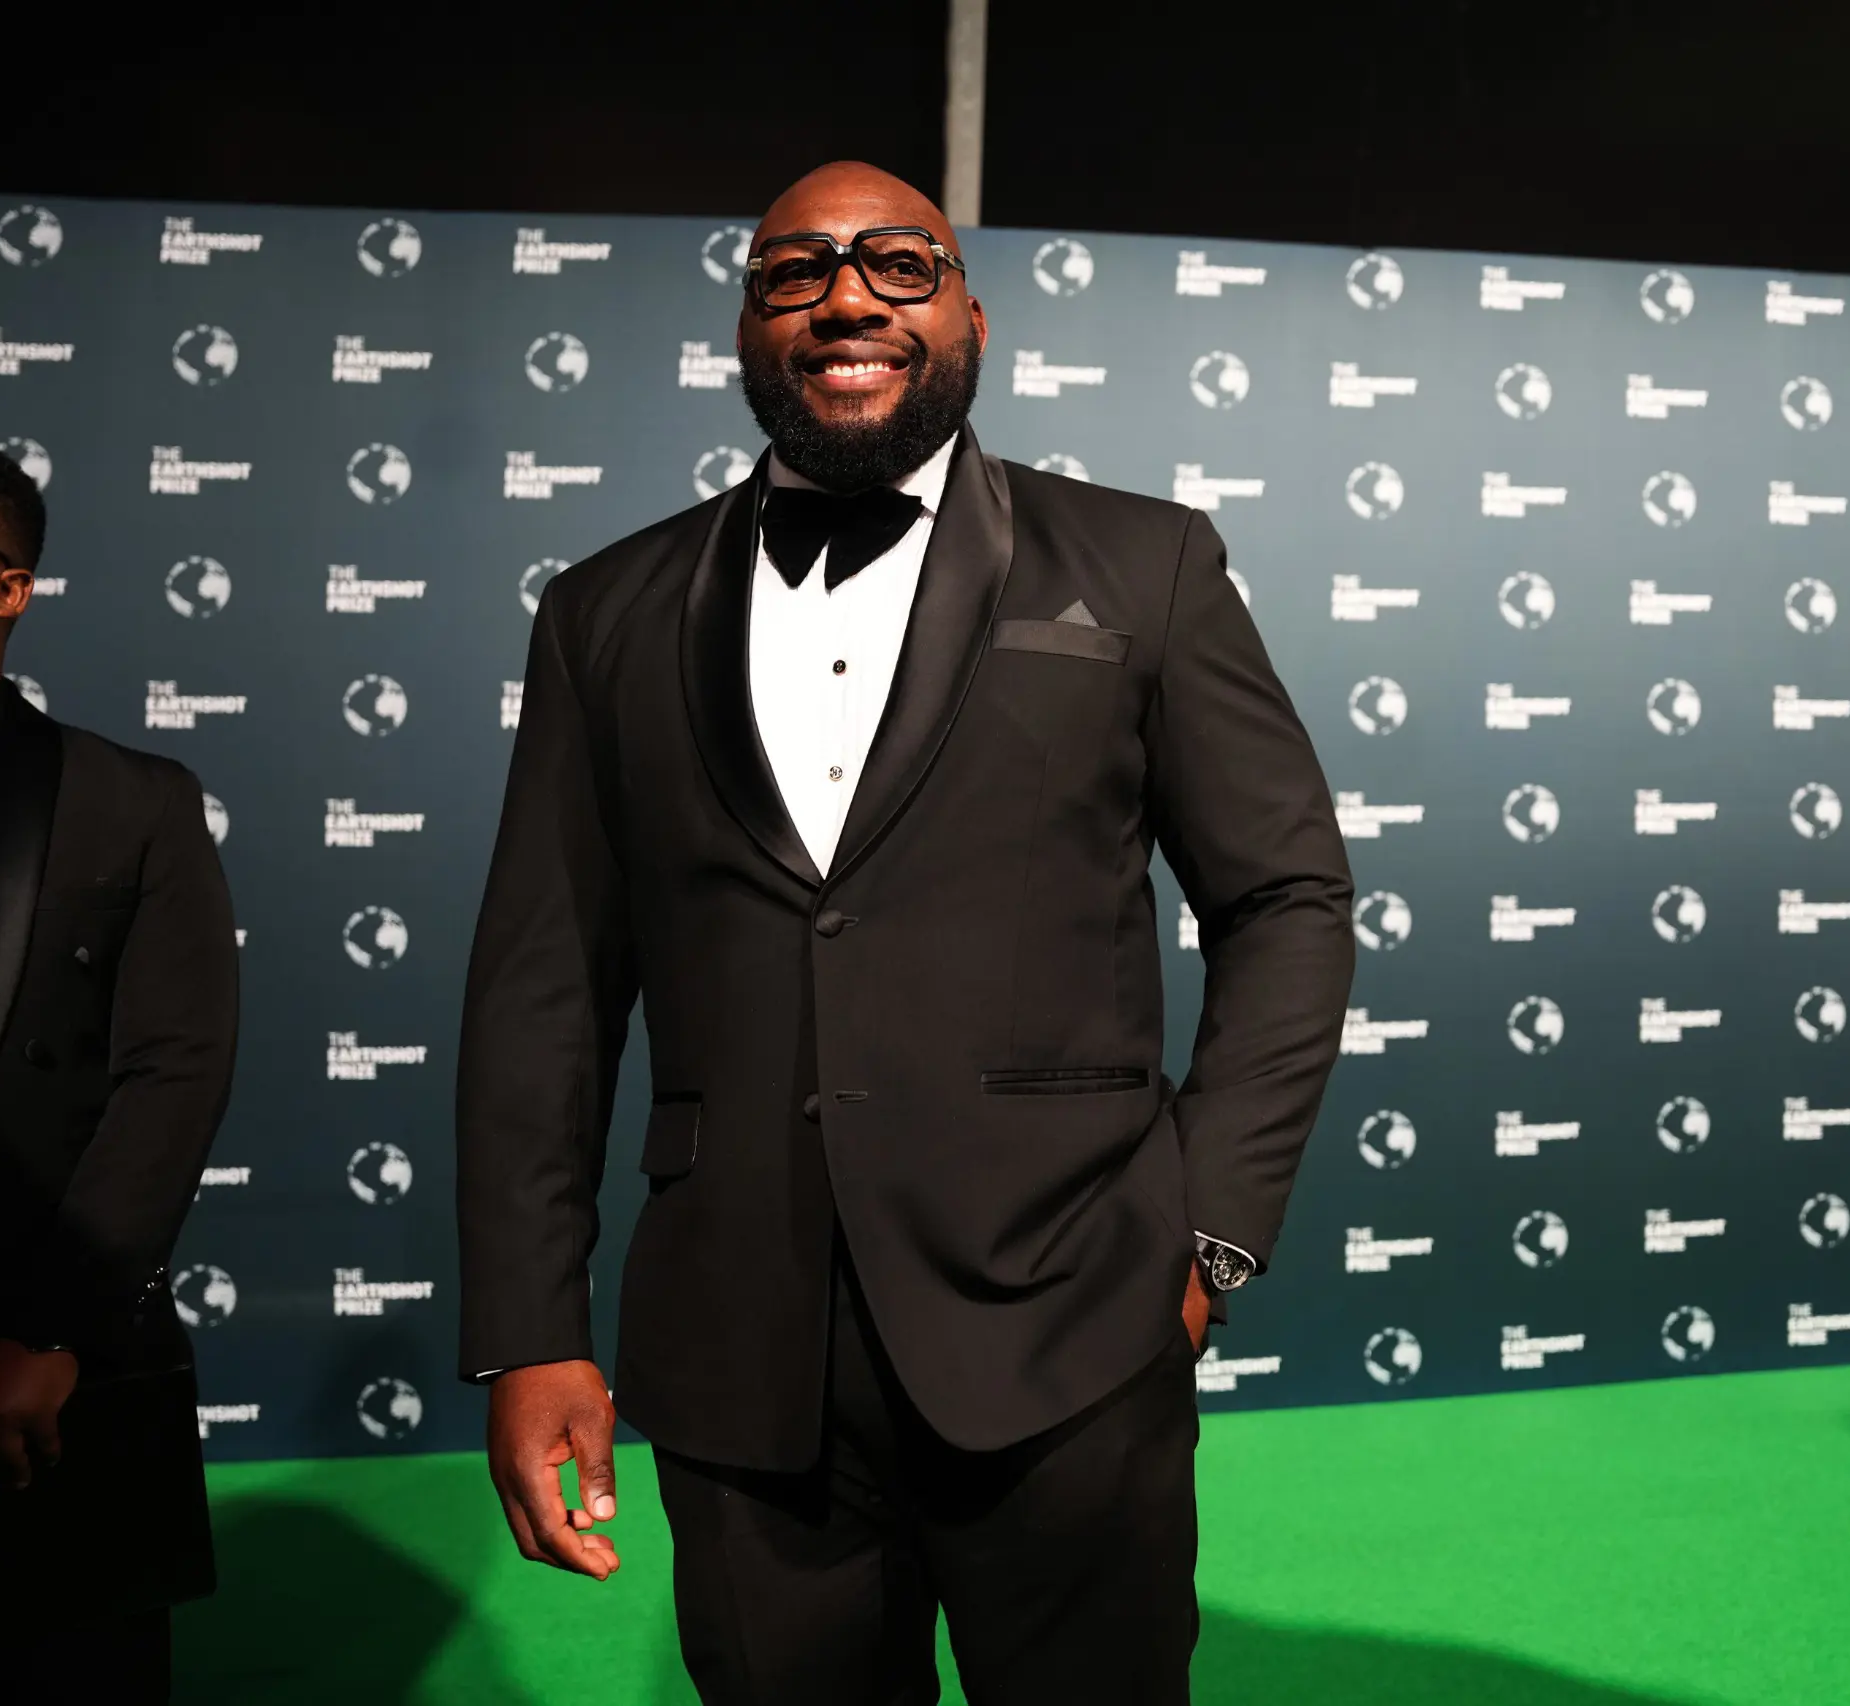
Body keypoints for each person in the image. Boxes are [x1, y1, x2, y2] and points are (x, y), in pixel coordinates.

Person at [458, 161, 1355, 1702]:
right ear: (748, 328)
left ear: (968, 313)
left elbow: (1287, 900)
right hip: (741, 1345)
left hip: (1075, 1322)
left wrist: (1206, 1230)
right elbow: (545, 988)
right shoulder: (604, 609)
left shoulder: (1146, 565)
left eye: (898, 263)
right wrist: (528, 1327)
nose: (847, 297)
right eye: (794, 272)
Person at [0, 416, 240, 1704]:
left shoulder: (135, 801)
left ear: (7, 587)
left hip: (55, 1398)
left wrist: (47, 1336)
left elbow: (171, 1082)